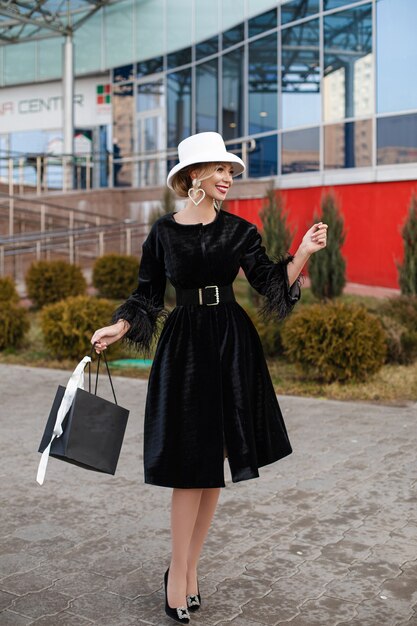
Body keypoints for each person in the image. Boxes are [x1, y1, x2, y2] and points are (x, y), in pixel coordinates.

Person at [91, 132, 327, 623]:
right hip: (184, 348)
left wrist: (301, 251)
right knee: (188, 463)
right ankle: (177, 574)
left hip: (231, 344)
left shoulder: (240, 231)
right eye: (219, 169)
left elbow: (268, 283)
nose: (227, 178)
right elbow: (147, 297)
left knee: (214, 458)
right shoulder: (163, 233)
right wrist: (118, 327)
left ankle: (190, 568)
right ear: (193, 174)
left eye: (230, 171)